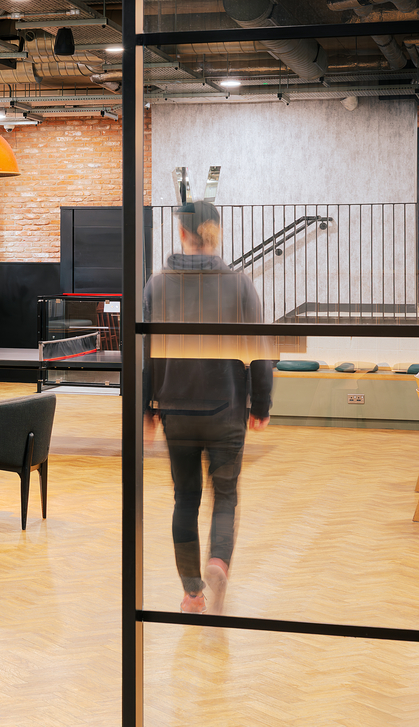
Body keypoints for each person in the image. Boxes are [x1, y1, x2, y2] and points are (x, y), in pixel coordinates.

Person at [143, 200, 274, 615]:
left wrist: (148, 408)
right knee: (226, 496)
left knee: (185, 499)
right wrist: (262, 403)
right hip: (227, 409)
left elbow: (147, 353)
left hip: (177, 410)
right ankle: (218, 562)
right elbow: (259, 350)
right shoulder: (238, 284)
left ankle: (192, 594)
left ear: (181, 233)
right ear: (215, 232)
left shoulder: (158, 285)